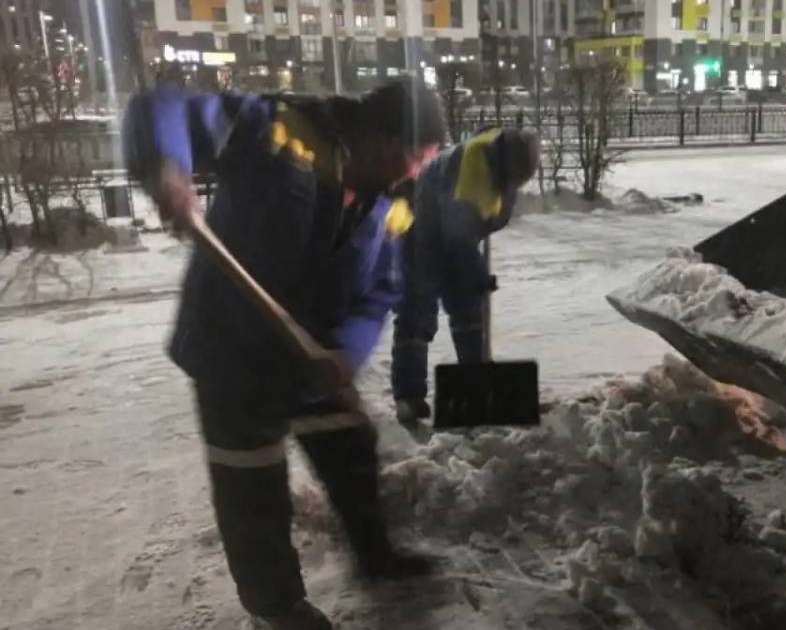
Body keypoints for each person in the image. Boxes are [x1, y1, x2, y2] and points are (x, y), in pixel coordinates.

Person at [122, 78, 444, 630]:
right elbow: (163, 107)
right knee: (252, 484)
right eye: (413, 156)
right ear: (378, 133)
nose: (414, 172)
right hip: (233, 349)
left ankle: (376, 557)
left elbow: (382, 290)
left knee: (351, 446)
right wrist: (169, 169)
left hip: (311, 354)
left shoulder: (393, 202)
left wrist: (346, 351)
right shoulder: (276, 128)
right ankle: (277, 606)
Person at [391, 127, 540, 423]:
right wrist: (478, 275)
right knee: (418, 310)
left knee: (468, 310)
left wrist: (475, 276)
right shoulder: (474, 168)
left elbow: (477, 226)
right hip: (420, 229)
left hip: (454, 232)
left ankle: (476, 383)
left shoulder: (505, 162)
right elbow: (458, 236)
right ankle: (409, 397)